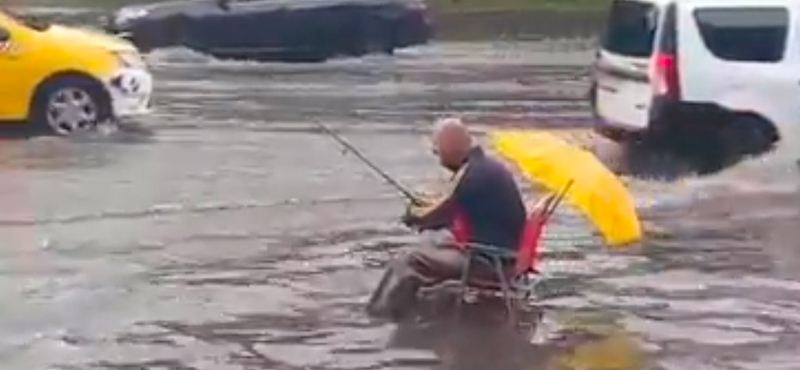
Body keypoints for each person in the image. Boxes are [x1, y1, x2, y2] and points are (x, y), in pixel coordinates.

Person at [366, 117, 527, 320]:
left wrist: (413, 215)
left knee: (408, 260)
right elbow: (450, 210)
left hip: (489, 262)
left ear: (451, 146)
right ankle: (412, 305)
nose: (435, 153)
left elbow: (435, 217)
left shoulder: (473, 176)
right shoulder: (484, 168)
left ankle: (380, 315)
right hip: (500, 253)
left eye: (437, 147)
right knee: (436, 240)